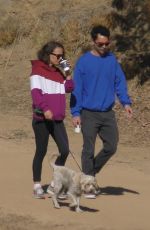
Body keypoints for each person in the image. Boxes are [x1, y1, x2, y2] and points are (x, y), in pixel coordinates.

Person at [70, 25, 133, 198]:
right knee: (88, 149)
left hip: (107, 113)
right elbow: (77, 90)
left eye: (107, 43)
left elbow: (119, 82)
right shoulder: (83, 62)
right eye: (100, 44)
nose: (104, 47)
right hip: (88, 113)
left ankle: (88, 175)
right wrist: (75, 113)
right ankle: (88, 185)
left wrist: (125, 103)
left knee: (111, 146)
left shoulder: (112, 60)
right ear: (93, 42)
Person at [30, 41, 74, 198]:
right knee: (41, 151)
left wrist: (67, 72)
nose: (60, 58)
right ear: (48, 54)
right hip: (42, 118)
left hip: (56, 119)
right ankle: (37, 185)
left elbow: (69, 88)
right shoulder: (37, 69)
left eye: (62, 56)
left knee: (65, 150)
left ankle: (54, 185)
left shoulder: (57, 73)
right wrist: (45, 108)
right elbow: (36, 93)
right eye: (57, 55)